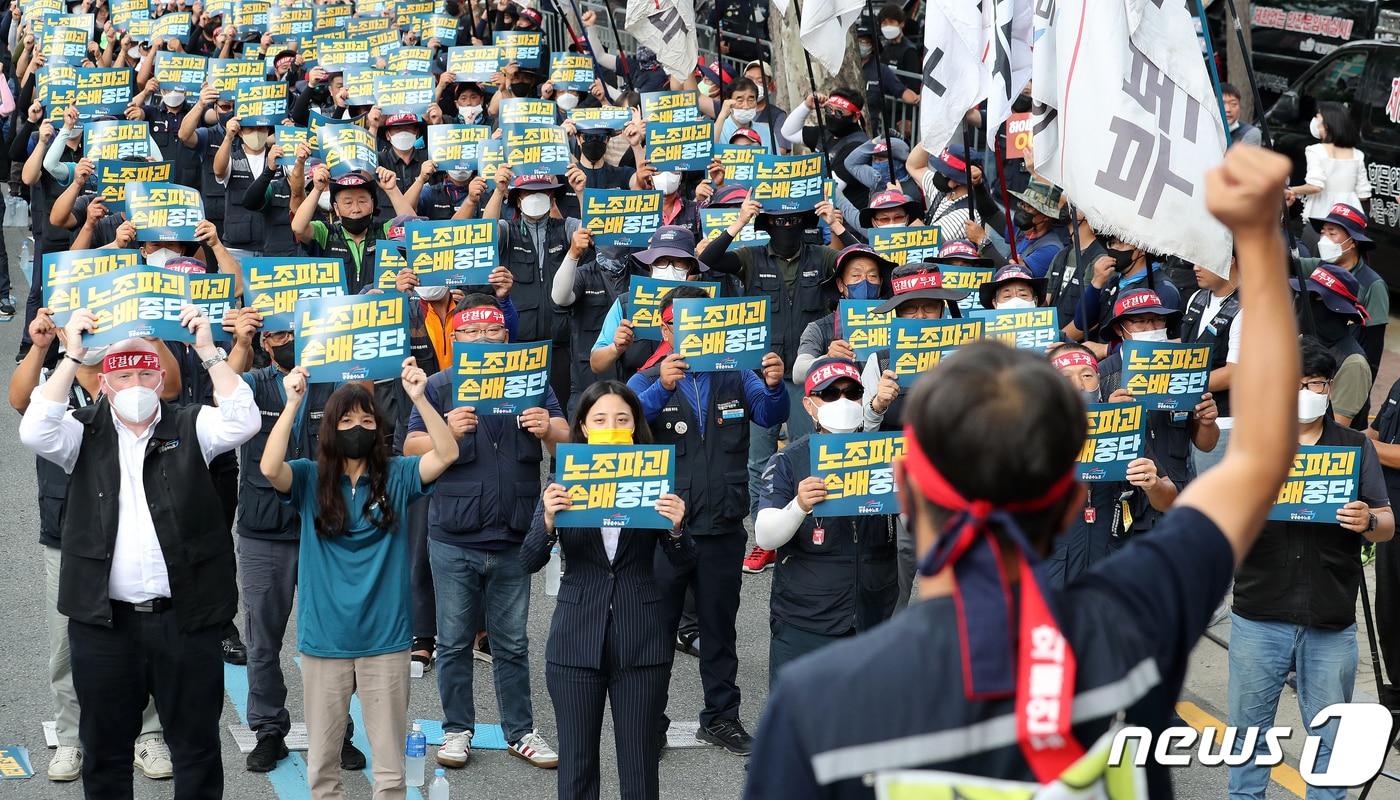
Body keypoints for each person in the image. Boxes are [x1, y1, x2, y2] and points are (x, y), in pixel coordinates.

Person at [742, 144, 1301, 799]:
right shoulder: (1133, 620)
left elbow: (1263, 454)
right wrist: (1260, 242)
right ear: (1068, 501)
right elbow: (1265, 451)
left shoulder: (815, 707)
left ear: (905, 490)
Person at [19, 308, 261, 798]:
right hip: (104, 625)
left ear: (161, 379)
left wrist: (210, 352)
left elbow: (244, 419)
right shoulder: (79, 431)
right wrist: (72, 358)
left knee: (196, 751)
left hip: (186, 621)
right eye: (122, 373)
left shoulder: (194, 424)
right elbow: (34, 429)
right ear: (103, 383)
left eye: (144, 372)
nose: (134, 382)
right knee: (105, 755)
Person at [259, 362, 459, 800]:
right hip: (324, 640)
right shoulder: (311, 477)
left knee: (389, 774)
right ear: (329, 428)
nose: (357, 428)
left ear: (379, 427)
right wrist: (293, 402)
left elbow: (446, 454)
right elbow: (270, 467)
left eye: (367, 420)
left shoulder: (399, 474)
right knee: (323, 769)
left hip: (386, 641)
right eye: (346, 420)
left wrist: (421, 397)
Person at [1227, 337, 1395, 800]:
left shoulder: (1355, 446)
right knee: (1248, 741)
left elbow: (1386, 522)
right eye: (1297, 383)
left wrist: (1368, 521)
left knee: (1331, 745)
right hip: (1259, 614)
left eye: (1317, 383)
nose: (1308, 391)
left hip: (1330, 616)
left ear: (1329, 387)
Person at [405, 297, 567, 772]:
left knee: (512, 642)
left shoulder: (533, 380)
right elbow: (411, 447)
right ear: (455, 340)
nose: (482, 340)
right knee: (453, 641)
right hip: (453, 535)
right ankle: (457, 729)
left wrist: (548, 429)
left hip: (515, 534)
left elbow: (567, 432)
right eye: (471, 334)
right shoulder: (438, 386)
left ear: (506, 337)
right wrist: (445, 430)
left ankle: (521, 731)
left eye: (492, 332)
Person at [9, 311, 171, 783]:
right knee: (67, 645)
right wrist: (44, 347)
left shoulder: (133, 374)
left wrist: (146, 337)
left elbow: (175, 389)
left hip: (133, 534)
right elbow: (20, 402)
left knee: (147, 636)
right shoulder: (54, 375)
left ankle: (149, 735)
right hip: (68, 534)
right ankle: (71, 738)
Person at [627, 286, 789, 755]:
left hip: (721, 526)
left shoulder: (737, 372)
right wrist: (664, 385)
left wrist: (776, 385)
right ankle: (647, 723)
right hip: (662, 530)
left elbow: (769, 414)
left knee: (720, 630)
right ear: (667, 328)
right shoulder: (646, 377)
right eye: (681, 323)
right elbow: (627, 422)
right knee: (653, 632)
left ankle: (720, 719)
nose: (693, 333)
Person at [521, 381, 695, 800]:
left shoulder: (657, 480)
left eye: (622, 419)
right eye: (600, 419)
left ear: (636, 427)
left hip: (642, 639)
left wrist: (675, 528)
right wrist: (547, 522)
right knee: (577, 769)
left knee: (639, 766)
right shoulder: (562, 479)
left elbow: (686, 564)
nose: (611, 426)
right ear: (583, 426)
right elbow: (528, 560)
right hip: (576, 641)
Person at [224, 309, 366, 774]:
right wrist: (240, 343)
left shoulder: (337, 386)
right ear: (267, 342)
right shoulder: (255, 383)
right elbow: (222, 391)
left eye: (297, 332)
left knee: (332, 638)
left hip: (325, 529)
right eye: (280, 334)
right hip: (264, 531)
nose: (290, 340)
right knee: (262, 640)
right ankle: (269, 731)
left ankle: (338, 731)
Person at [756, 357, 898, 685]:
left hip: (872, 616)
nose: (843, 401)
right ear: (808, 405)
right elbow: (764, 536)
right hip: (806, 622)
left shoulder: (885, 455)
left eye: (852, 393)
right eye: (830, 394)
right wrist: (799, 505)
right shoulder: (789, 461)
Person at [1045, 344, 1178, 587]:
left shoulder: (1123, 427)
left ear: (1099, 380)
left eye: (1087, 375)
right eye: (1065, 378)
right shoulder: (1030, 433)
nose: (1078, 385)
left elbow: (1169, 500)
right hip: (1052, 574)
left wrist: (1153, 485)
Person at [1303, 203, 1388, 376]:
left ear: (1354, 241)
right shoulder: (1318, 267)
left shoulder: (1373, 285)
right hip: (1312, 370)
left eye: (1332, 233)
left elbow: (1373, 346)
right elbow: (1286, 262)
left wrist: (1363, 383)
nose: (1324, 239)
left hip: (1344, 371)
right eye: (1323, 232)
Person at [1292, 263, 1373, 428]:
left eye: (1313, 298)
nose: (1302, 302)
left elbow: (1337, 431)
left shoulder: (1352, 363)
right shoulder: (1300, 342)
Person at [1181, 260, 1242, 475]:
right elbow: (1187, 345)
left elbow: (1234, 373)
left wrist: (1173, 383)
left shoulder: (1249, 306)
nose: (1196, 267)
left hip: (1226, 423)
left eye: (1205, 261)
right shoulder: (1197, 297)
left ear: (1230, 259)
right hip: (1187, 419)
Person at [1286, 101, 1370, 231]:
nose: (1314, 121)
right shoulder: (1357, 154)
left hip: (1321, 217)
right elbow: (1363, 194)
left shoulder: (1315, 150)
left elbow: (1315, 186)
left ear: (1327, 124)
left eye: (1317, 118)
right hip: (1349, 219)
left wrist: (1292, 190)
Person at [966, 178, 1069, 278]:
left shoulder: (1051, 248)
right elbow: (991, 215)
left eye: (1029, 206)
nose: (1023, 209)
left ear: (1046, 216)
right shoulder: (1023, 230)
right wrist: (978, 186)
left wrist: (983, 242)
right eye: (1022, 204)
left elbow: (1013, 276)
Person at [1221, 83, 1262, 147]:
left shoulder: (1249, 133)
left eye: (1233, 104)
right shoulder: (1204, 130)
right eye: (1222, 104)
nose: (1228, 109)